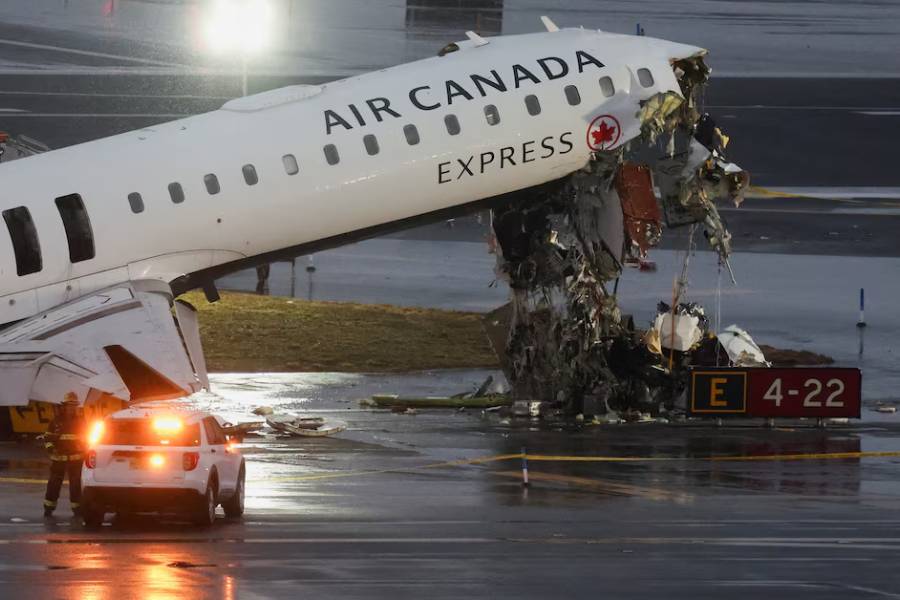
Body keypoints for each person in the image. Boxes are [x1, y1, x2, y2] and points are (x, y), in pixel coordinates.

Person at [42, 392, 87, 517]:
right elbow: (48, 438)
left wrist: (84, 450)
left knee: (76, 485)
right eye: (70, 405)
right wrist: (51, 449)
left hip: (76, 459)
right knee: (53, 484)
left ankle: (77, 508)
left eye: (74, 405)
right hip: (58, 459)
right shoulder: (55, 422)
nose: (72, 408)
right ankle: (49, 507)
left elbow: (87, 439)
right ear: (64, 406)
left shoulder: (81, 422)